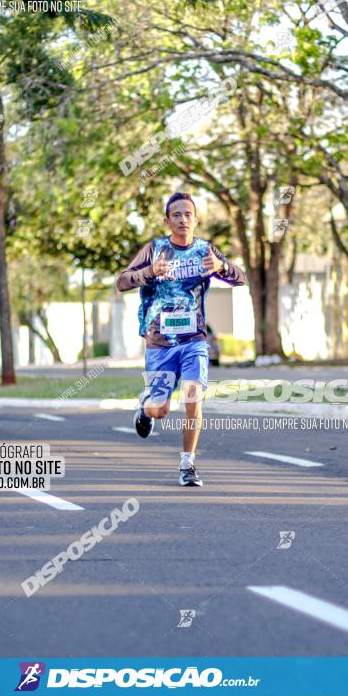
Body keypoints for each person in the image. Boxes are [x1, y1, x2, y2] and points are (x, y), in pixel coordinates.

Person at [115, 192, 246, 487]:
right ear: (167, 220)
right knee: (160, 410)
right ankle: (145, 405)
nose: (183, 219)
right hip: (160, 341)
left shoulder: (205, 251)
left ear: (196, 219)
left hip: (194, 340)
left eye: (188, 214)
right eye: (177, 215)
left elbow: (241, 278)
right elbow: (121, 281)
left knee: (192, 398)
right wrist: (149, 272)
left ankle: (188, 465)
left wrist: (222, 268)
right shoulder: (155, 249)